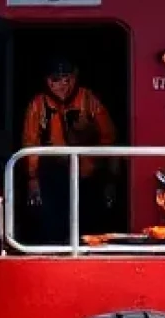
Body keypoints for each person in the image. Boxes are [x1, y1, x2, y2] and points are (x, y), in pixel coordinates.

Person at [20, 55, 119, 244]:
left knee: (90, 222)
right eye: (55, 80)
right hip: (53, 173)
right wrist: (33, 179)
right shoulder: (38, 105)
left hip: (88, 173)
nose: (61, 85)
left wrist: (110, 177)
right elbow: (30, 142)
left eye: (66, 79)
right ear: (46, 81)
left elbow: (109, 136)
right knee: (52, 222)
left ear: (74, 78)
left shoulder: (88, 99)